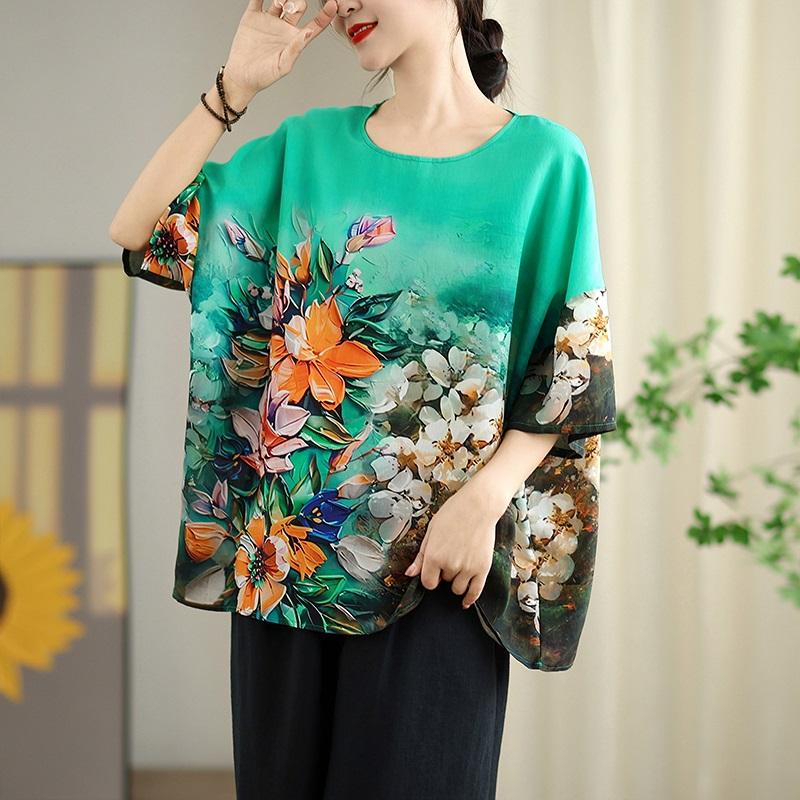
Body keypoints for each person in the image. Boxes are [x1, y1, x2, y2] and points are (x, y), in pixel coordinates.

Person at [109, 1, 617, 798]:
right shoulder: (307, 150)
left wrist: (483, 501)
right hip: (288, 575)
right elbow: (140, 230)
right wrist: (232, 88)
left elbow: (569, 367)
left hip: (438, 577)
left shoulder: (543, 163)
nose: (343, 1)